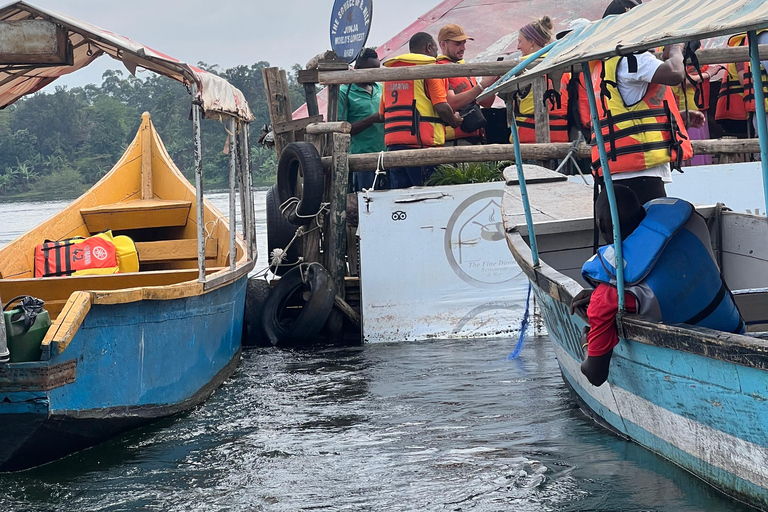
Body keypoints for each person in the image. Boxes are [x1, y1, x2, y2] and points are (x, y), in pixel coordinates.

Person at [574, 186, 744, 386]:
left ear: (601, 225)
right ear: (643, 212)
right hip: (735, 333)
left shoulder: (606, 297)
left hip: (688, 374)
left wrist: (586, 341)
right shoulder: (692, 224)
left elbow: (596, 375)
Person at [589, 0, 703, 205]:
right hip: (640, 176)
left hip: (616, 173)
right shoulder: (633, 58)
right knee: (653, 234)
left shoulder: (604, 64)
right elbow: (675, 73)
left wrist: (679, 120)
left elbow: (627, 112)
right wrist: (676, 47)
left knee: (627, 235)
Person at [379, 32, 462, 188]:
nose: (436, 54)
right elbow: (441, 107)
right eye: (436, 49)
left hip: (393, 147)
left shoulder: (390, 73)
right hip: (421, 147)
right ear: (429, 47)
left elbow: (382, 114)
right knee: (427, 196)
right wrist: (454, 121)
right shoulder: (430, 69)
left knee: (400, 197)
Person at [436, 24, 499, 146]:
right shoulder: (438, 69)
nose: (463, 48)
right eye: (457, 44)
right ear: (443, 44)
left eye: (464, 43)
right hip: (453, 142)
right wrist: (481, 86)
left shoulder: (465, 69)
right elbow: (451, 103)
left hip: (474, 139)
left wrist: (492, 83)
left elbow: (486, 103)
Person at [510, 16, 570, 144]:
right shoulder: (564, 65)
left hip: (529, 140)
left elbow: (513, 104)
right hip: (561, 139)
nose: (518, 47)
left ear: (532, 42)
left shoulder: (520, 68)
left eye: (520, 42)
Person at [338, 48, 385, 191]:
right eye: (370, 70)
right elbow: (340, 130)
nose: (374, 74)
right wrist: (372, 119)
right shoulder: (344, 92)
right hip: (362, 159)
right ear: (358, 68)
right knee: (366, 201)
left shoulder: (381, 88)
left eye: (377, 69)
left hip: (386, 156)